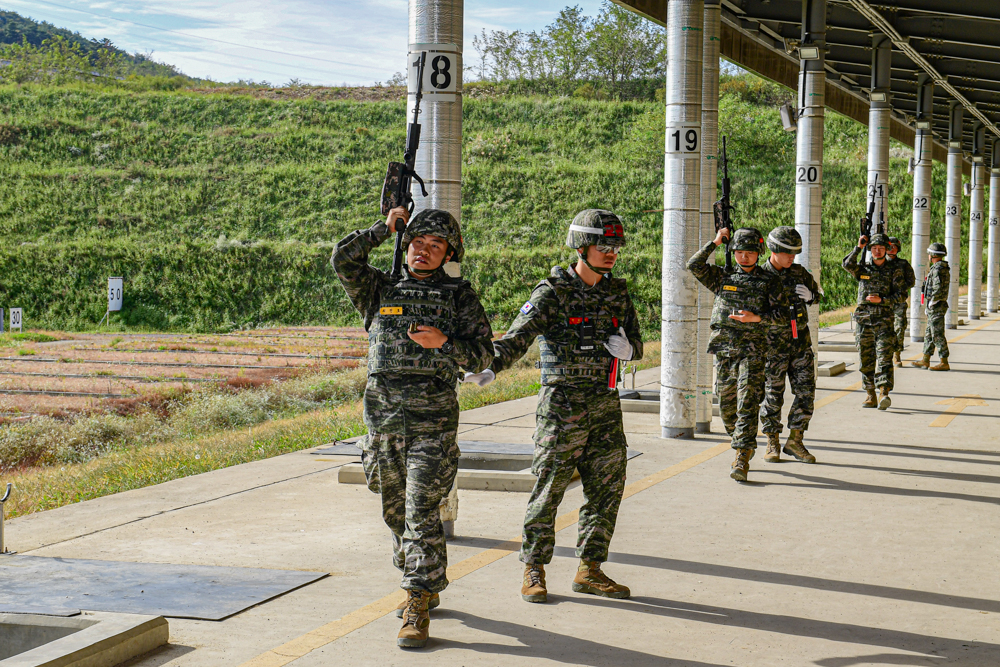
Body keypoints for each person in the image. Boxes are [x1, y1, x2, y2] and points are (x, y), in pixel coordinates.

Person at [332, 207, 494, 649]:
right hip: (382, 421)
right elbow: (343, 259)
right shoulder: (378, 288)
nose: (424, 252)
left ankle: (416, 601)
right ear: (406, 245)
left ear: (449, 253)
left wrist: (444, 343)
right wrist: (382, 229)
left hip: (433, 422)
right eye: (417, 243)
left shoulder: (459, 297)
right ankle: (420, 572)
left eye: (435, 246)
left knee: (421, 510)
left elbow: (483, 355)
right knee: (395, 511)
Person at [464, 209, 641, 604]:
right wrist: (490, 366)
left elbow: (638, 341)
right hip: (562, 408)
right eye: (603, 245)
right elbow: (516, 337)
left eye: (615, 246)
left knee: (607, 490)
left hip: (605, 404)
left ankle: (590, 569)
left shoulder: (617, 292)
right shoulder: (553, 292)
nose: (612, 253)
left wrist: (630, 351)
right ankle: (534, 568)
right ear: (582, 247)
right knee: (549, 491)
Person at [688, 227, 790, 482]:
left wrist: (758, 318)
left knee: (747, 402)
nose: (744, 257)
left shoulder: (769, 281)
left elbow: (784, 317)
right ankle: (740, 438)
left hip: (753, 352)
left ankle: (742, 455)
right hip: (725, 349)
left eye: (750, 253)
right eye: (739, 252)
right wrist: (715, 241)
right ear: (732, 252)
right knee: (726, 405)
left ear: (758, 254)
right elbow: (694, 264)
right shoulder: (722, 276)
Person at [758, 226, 821, 464]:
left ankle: (795, 440)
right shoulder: (760, 276)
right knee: (773, 395)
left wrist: (812, 296)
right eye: (788, 253)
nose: (792, 257)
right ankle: (771, 441)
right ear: (774, 250)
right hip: (772, 347)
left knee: (806, 393)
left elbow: (817, 294)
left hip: (800, 345)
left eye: (795, 253)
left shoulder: (799, 273)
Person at [842, 233, 904, 410]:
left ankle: (884, 391)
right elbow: (846, 264)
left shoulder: (893, 270)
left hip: (884, 321)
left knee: (884, 358)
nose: (877, 251)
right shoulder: (863, 269)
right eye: (874, 248)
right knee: (865, 358)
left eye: (881, 248)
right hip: (864, 321)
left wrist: (882, 300)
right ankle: (870, 393)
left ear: (886, 250)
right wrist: (858, 247)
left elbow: (901, 295)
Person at [912, 242, 951, 371]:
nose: (928, 255)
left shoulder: (938, 269)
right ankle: (925, 360)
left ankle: (944, 361)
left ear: (933, 255)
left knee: (937, 334)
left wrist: (931, 303)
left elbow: (938, 289)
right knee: (929, 334)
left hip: (936, 306)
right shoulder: (938, 268)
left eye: (930, 253)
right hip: (934, 306)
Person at [887, 237, 916, 366]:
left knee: (899, 327)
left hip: (899, 302)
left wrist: (900, 288)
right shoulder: (880, 263)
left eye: (894, 247)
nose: (892, 249)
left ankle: (896, 354)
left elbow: (912, 281)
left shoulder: (903, 264)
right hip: (884, 302)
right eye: (889, 246)